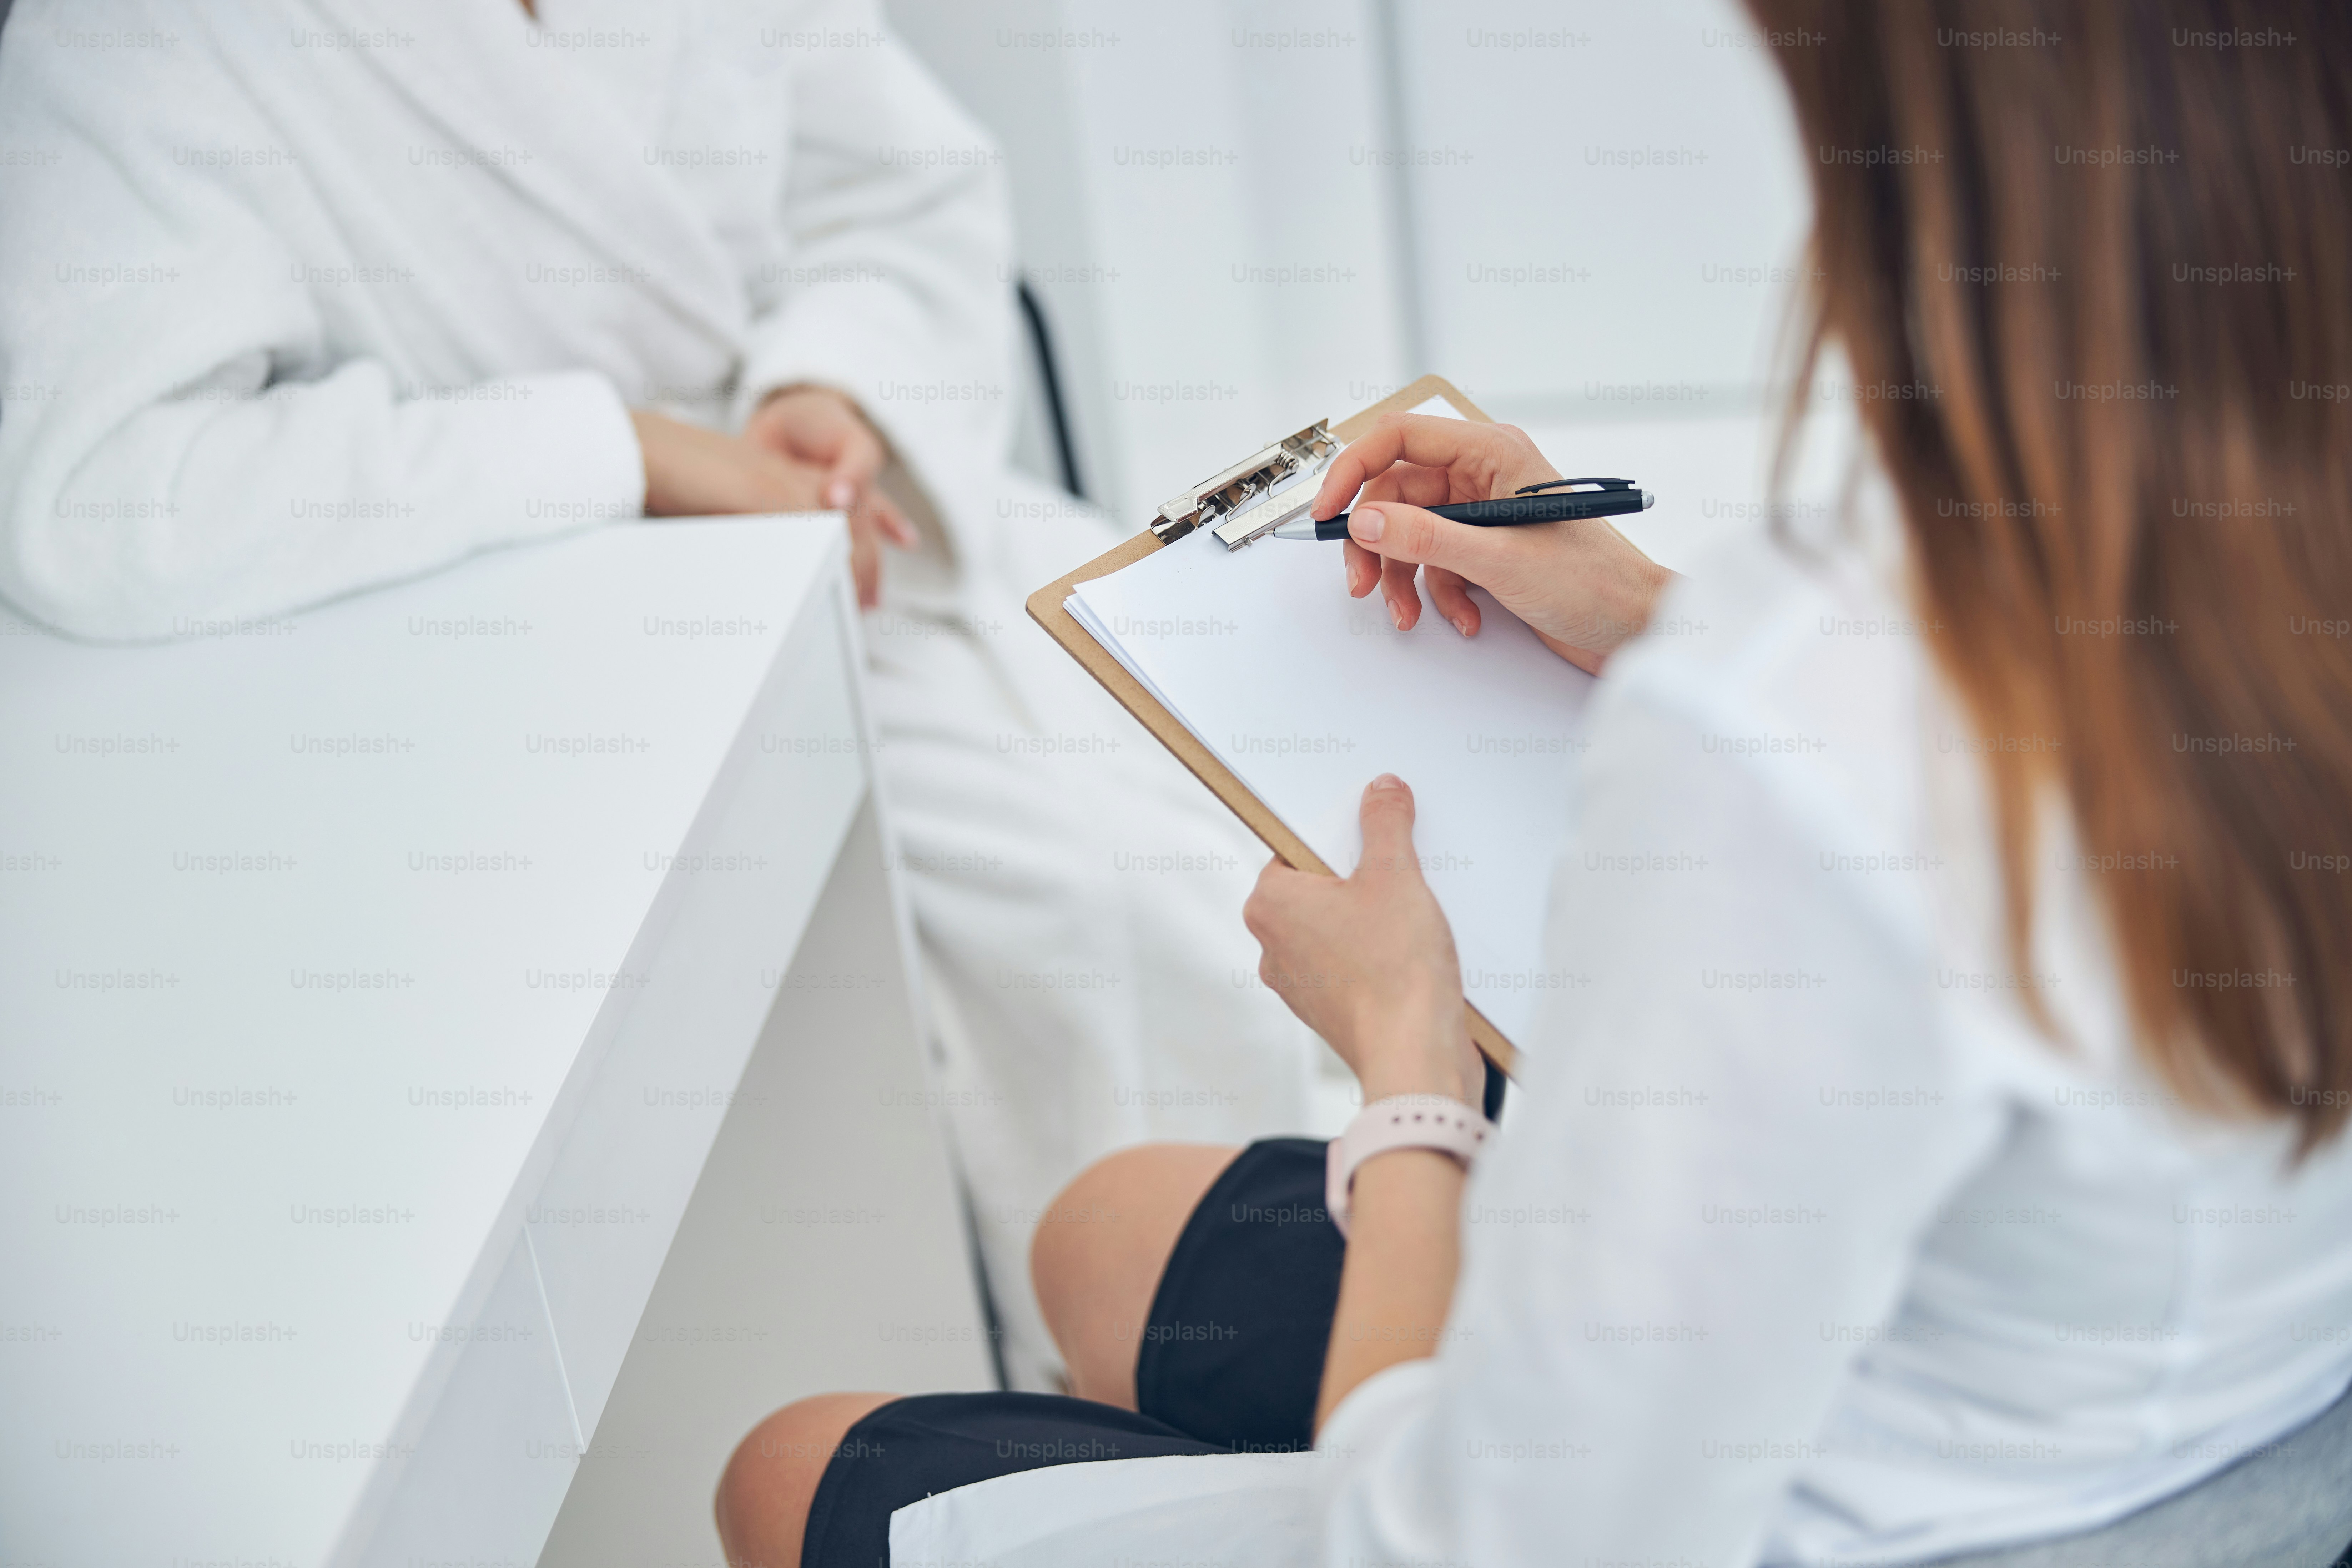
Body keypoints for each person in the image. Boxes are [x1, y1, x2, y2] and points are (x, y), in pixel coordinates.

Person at [713, 3, 2352, 1564]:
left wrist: (1409, 1066)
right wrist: (1652, 618)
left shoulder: (1796, 724)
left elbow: (1471, 1550)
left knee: (788, 1474)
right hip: (2182, 1421)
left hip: (1821, 1505)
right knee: (1103, 1229)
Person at [0, 0, 1325, 1390]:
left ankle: (1295, 1340)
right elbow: (102, 488)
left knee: (1241, 804)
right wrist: (610, 450)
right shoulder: (130, 37)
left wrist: (831, 389)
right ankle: (1187, 1395)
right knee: (1088, 906)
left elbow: (898, 191)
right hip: (544, 630)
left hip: (852, 524)